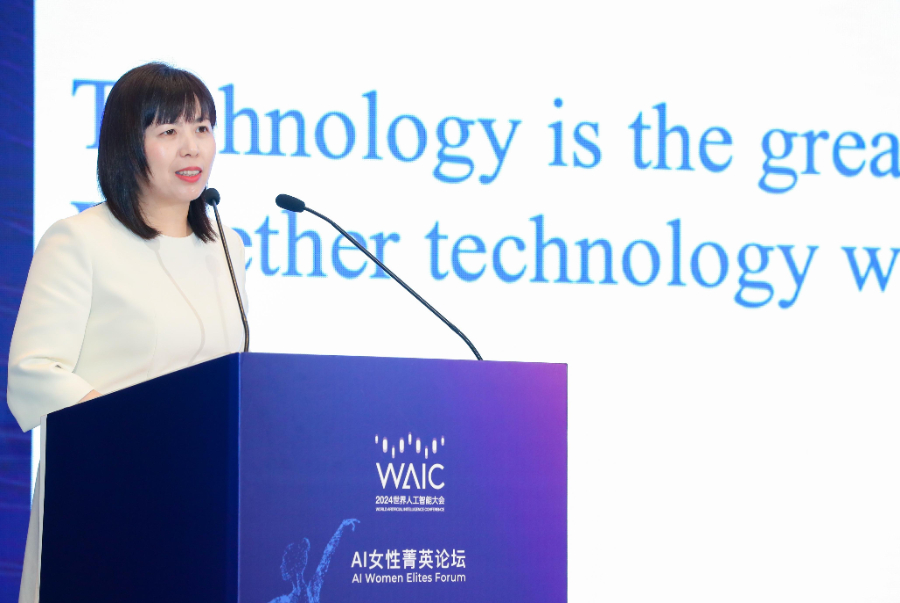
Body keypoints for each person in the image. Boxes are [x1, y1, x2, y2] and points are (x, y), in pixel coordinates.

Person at [6, 62, 248, 603]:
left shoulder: (226, 247)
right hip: (107, 494)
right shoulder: (79, 240)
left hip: (202, 500)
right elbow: (34, 371)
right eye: (169, 131)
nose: (192, 147)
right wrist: (129, 433)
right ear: (127, 143)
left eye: (203, 128)